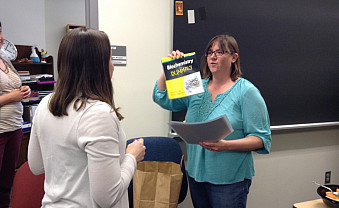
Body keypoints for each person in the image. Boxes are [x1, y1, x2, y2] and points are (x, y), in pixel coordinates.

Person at [28, 28, 146, 208]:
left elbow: (36, 166)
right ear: (98, 65)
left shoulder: (45, 104)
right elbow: (107, 198)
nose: (113, 65)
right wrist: (131, 156)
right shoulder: (98, 114)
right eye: (110, 58)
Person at [153, 34, 271, 208]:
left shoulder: (246, 91)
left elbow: (262, 139)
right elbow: (161, 97)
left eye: (220, 52)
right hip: (196, 175)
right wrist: (168, 69)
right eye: (209, 52)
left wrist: (227, 145)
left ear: (234, 57)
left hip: (229, 180)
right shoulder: (195, 85)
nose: (213, 56)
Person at [0, 21, 31, 207]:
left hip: (14, 127)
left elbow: (13, 87)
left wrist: (23, 90)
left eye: (1, 31)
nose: (0, 37)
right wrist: (11, 97)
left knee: (6, 182)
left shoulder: (5, 60)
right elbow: (9, 95)